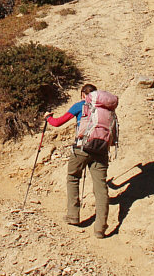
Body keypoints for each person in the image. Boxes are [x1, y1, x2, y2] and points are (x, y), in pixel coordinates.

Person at [46, 84, 110, 238]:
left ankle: (73, 216)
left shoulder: (80, 106)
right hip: (101, 151)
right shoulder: (106, 109)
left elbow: (57, 123)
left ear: (83, 94)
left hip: (82, 149)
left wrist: (48, 117)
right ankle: (100, 228)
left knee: (73, 178)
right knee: (101, 188)